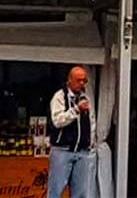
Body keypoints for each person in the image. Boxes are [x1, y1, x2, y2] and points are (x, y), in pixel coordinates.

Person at [47, 65, 96, 198]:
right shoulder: (59, 96)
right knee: (56, 191)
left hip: (82, 151)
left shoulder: (86, 97)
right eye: (78, 80)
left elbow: (91, 122)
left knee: (81, 193)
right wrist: (75, 110)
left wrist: (91, 143)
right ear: (69, 80)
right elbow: (57, 121)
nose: (81, 84)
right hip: (62, 150)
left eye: (84, 81)